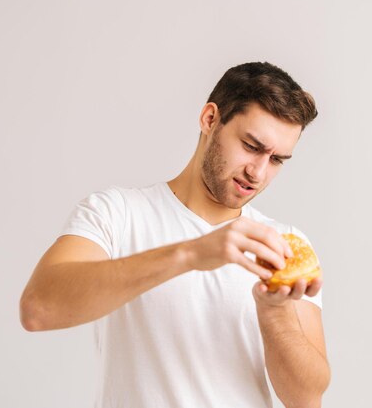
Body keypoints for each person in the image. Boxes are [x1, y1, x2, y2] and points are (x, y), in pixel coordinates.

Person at [20, 61, 331, 408]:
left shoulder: (282, 244)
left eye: (277, 160)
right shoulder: (117, 213)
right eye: (251, 145)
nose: (258, 172)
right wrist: (190, 254)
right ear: (210, 119)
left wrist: (274, 311)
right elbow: (39, 309)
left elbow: (306, 399)